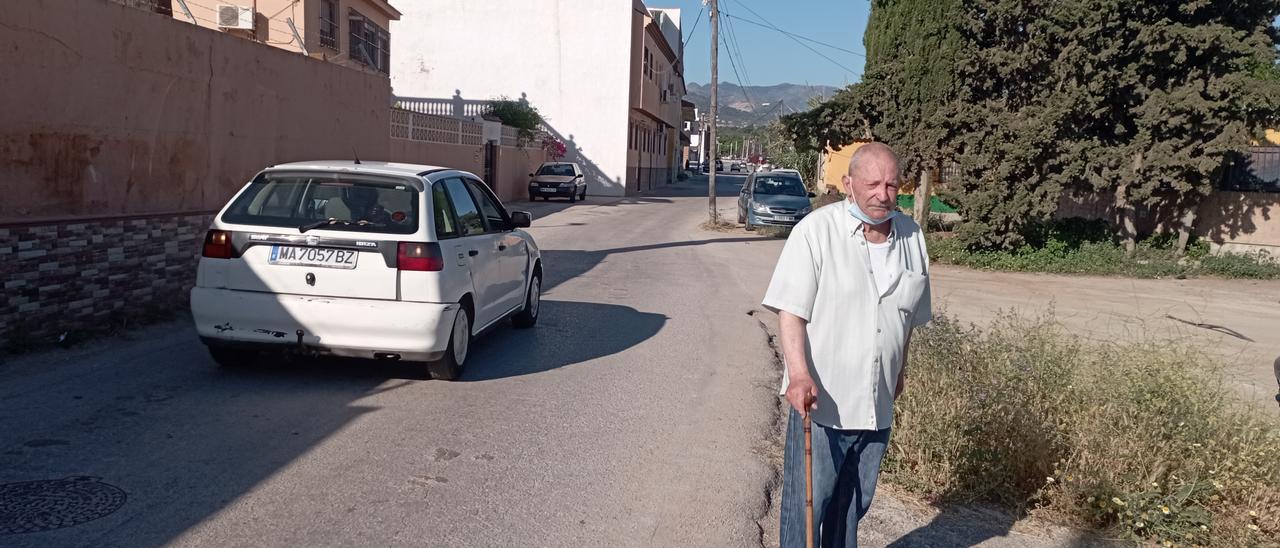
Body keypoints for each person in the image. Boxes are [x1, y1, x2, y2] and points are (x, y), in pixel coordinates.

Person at [762, 143, 932, 548]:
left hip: (877, 405)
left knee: (852, 508)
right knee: (807, 511)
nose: (882, 194)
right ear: (848, 184)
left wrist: (901, 370)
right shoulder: (817, 231)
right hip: (823, 403)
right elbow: (791, 311)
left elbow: (907, 318)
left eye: (891, 184)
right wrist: (799, 374)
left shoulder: (911, 236)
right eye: (872, 183)